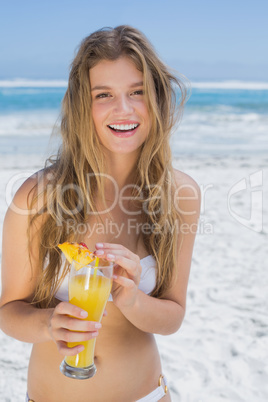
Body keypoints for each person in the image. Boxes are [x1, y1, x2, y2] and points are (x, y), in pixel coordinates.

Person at [0, 25, 200, 402]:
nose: (123, 109)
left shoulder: (180, 195)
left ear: (155, 98)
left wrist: (132, 299)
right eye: (104, 94)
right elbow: (9, 310)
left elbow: (173, 315)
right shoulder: (40, 197)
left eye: (137, 92)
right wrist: (48, 323)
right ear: (83, 105)